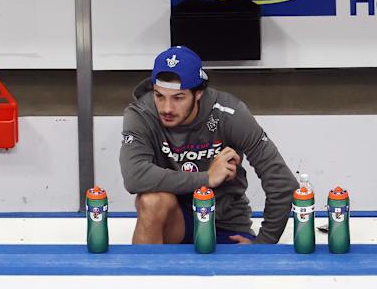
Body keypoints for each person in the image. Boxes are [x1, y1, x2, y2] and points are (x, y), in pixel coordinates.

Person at [119, 46, 299, 244]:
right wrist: (206, 178)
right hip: (175, 223)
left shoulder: (229, 113)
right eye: (159, 96)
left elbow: (282, 184)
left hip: (225, 225)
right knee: (151, 201)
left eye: (178, 98)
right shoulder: (141, 114)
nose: (166, 108)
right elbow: (134, 177)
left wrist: (263, 244)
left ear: (198, 93)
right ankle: (145, 275)